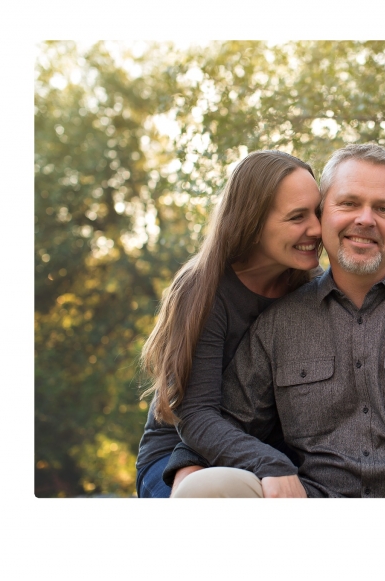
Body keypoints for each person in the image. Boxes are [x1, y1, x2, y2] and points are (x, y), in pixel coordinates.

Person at [167, 143, 385, 498]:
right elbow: (227, 418)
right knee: (205, 489)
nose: (365, 219)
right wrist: (189, 469)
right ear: (323, 214)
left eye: (384, 208)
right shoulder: (278, 322)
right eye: (348, 203)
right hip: (311, 508)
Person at [135, 150, 322, 498]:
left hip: (272, 454)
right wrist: (269, 464)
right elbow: (196, 417)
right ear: (252, 222)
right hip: (181, 451)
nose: (316, 228)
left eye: (318, 212)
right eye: (298, 217)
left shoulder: (313, 286)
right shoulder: (202, 290)